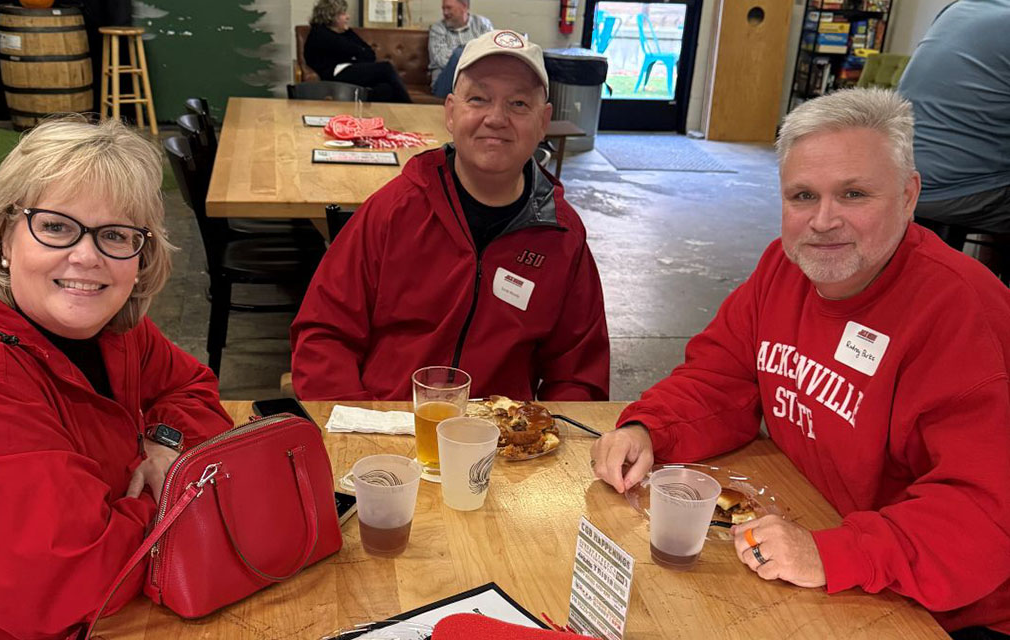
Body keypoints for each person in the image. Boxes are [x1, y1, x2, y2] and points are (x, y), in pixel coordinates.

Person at [590, 88, 1010, 638]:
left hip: (941, 608)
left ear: (909, 196)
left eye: (854, 194)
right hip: (814, 542)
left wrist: (831, 554)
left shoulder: (963, 312)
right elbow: (722, 375)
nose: (823, 220)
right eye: (803, 195)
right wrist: (651, 427)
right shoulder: (783, 269)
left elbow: (983, 515)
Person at [0, 116, 233, 638]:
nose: (86, 257)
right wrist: (180, 485)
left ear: (140, 254)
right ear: (3, 238)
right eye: (57, 227)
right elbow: (80, 575)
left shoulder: (112, 328)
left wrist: (164, 442)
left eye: (114, 235)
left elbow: (190, 386)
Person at [291, 30, 610, 401]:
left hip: (501, 447)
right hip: (385, 430)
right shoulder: (393, 210)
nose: (496, 118)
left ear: (544, 122)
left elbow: (579, 376)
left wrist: (544, 441)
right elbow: (323, 336)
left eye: (519, 104)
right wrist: (358, 431)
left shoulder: (563, 236)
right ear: (451, 112)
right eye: (478, 98)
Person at [897, 0, 1010, 234]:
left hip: (898, 174)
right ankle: (981, 270)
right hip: (954, 189)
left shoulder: (960, 7)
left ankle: (973, 269)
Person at [304, 0, 412, 103]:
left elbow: (369, 54)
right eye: (343, 14)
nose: (348, 17)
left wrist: (355, 49)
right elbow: (355, 50)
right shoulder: (320, 34)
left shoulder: (344, 32)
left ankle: (379, 119)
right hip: (334, 75)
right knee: (386, 68)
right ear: (331, 16)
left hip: (350, 69)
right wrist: (357, 54)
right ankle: (411, 108)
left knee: (385, 89)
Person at [428, 0, 493, 97]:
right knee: (458, 54)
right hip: (445, 84)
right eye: (443, 8)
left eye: (449, 8)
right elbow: (441, 59)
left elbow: (490, 55)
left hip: (478, 82)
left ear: (464, 7)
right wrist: (473, 56)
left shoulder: (483, 25)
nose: (445, 12)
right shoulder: (438, 29)